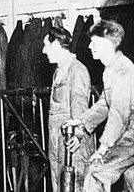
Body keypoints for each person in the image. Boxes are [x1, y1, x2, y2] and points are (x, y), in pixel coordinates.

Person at [64, 19, 134, 192]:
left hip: (130, 135)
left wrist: (102, 149)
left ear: (108, 43)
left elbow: (119, 114)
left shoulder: (122, 70)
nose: (89, 46)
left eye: (94, 42)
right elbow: (104, 103)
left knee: (96, 172)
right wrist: (81, 122)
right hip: (127, 133)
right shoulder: (111, 68)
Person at [42, 26, 95, 191]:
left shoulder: (76, 70)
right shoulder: (59, 71)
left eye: (46, 45)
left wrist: (78, 135)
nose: (44, 51)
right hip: (59, 145)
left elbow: (80, 107)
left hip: (72, 146)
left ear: (57, 44)